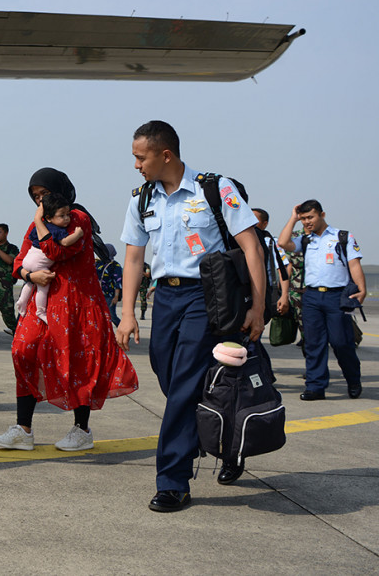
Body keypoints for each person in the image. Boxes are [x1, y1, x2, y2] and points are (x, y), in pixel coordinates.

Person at [116, 120, 265, 512]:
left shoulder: (215, 189)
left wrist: (258, 307)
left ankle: (173, 480)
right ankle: (222, 435)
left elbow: (252, 248)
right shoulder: (142, 199)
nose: (136, 164)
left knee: (183, 386)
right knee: (167, 373)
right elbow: (134, 258)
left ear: (165, 154)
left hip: (207, 297)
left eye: (140, 157)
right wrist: (127, 313)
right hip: (165, 298)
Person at [0, 168, 138, 457]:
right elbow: (19, 260)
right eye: (35, 197)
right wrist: (28, 275)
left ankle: (81, 429)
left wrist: (38, 223)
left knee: (78, 362)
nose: (39, 201)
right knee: (23, 351)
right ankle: (23, 429)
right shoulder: (39, 223)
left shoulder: (77, 218)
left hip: (76, 303)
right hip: (42, 302)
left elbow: (58, 252)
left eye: (44, 194)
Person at [277, 200, 366, 400]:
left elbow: (354, 264)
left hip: (336, 296)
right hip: (311, 296)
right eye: (303, 219)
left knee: (341, 342)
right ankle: (315, 387)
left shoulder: (342, 237)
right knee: (313, 343)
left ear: (322, 215)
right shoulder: (306, 240)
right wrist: (293, 217)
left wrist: (361, 289)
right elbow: (283, 243)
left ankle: (353, 380)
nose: (306, 222)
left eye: (310, 217)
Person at [15, 193, 84, 321]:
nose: (67, 218)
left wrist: (38, 222)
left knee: (30, 283)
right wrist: (78, 234)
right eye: (62, 215)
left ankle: (21, 301)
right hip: (40, 263)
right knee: (43, 287)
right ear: (49, 217)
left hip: (28, 259)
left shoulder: (38, 225)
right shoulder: (58, 230)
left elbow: (30, 238)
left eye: (67, 215)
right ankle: (41, 311)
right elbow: (64, 243)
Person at [252, 208, 292, 318]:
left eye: (254, 219)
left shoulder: (270, 242)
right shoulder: (238, 239)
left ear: (265, 224)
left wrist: (284, 295)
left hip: (264, 292)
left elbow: (282, 270)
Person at [94, 243, 124, 325]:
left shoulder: (115, 266)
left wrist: (116, 296)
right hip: (98, 295)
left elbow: (118, 282)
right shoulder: (98, 263)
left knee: (112, 316)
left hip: (110, 295)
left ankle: (125, 334)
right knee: (99, 316)